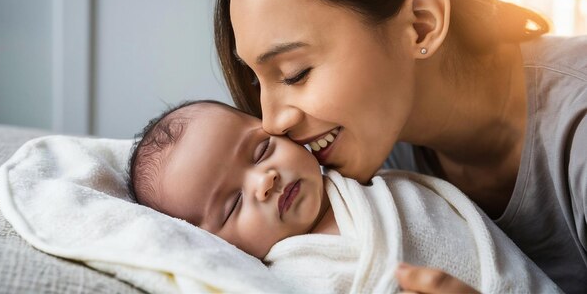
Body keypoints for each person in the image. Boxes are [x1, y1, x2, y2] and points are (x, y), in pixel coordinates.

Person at [212, 0, 587, 293]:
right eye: (255, 80)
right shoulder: (373, 163)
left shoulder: (578, 128)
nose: (272, 122)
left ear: (422, 24)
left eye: (296, 72)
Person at [128, 100, 559, 293]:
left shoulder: (369, 177)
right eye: (233, 204)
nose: (264, 181)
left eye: (261, 150)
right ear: (214, 243)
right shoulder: (288, 278)